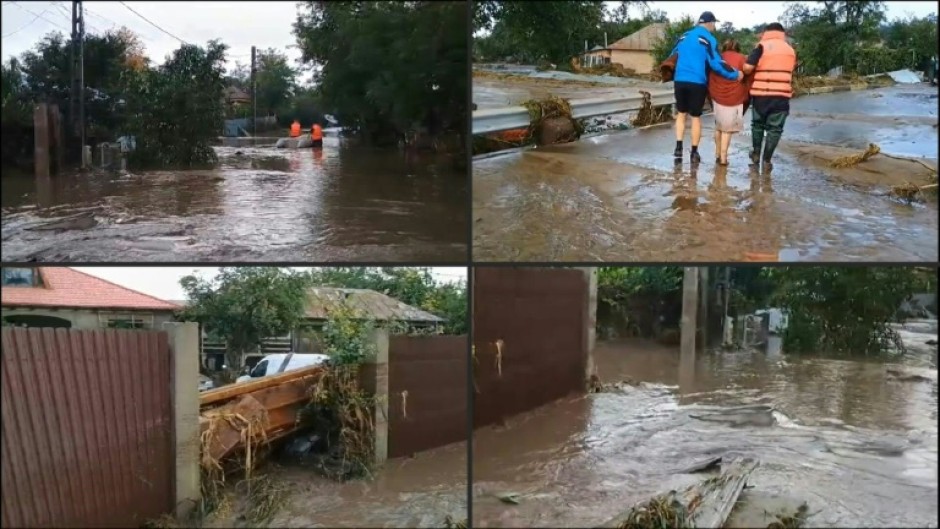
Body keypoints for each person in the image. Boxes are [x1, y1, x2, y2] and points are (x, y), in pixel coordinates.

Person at [669, 11, 744, 163]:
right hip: (697, 82)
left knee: (681, 113)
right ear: (709, 23)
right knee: (695, 117)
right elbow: (716, 63)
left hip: (680, 80)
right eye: (714, 24)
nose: (714, 27)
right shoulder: (708, 39)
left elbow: (672, 56)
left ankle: (678, 147)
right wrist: (735, 74)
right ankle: (694, 153)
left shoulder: (683, 36)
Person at [742, 22, 797, 170]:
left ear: (767, 32)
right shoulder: (790, 50)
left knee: (758, 126)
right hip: (781, 96)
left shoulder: (761, 46)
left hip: (762, 95)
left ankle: (755, 156)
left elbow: (747, 68)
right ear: (782, 33)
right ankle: (767, 161)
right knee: (775, 129)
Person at [707, 39, 751, 165]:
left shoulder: (718, 58)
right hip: (733, 97)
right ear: (738, 47)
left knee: (719, 126)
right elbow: (747, 75)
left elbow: (711, 76)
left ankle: (717, 153)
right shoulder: (742, 58)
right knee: (727, 129)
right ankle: (723, 158)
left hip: (716, 96)